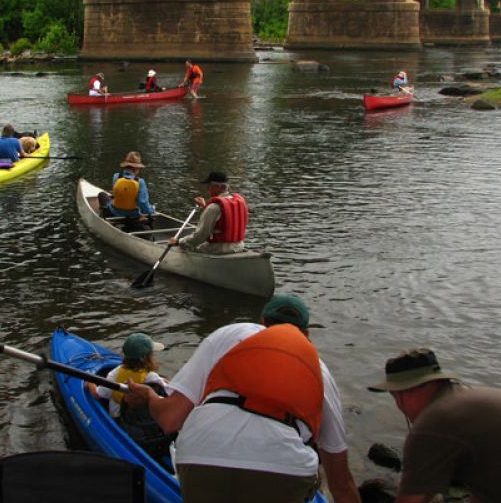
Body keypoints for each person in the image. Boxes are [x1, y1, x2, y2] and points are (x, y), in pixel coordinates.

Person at [124, 295, 361, 503]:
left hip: (200, 457)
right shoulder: (320, 371)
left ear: (262, 323)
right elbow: (340, 481)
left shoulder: (227, 334)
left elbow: (170, 419)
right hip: (283, 470)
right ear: (307, 335)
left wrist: (150, 397)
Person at [368, 348, 501, 502]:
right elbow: (486, 484)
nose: (397, 404)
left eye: (394, 395)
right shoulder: (472, 398)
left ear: (407, 391)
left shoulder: (434, 422)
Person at [88, 332, 174, 460]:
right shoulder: (152, 378)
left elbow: (98, 395)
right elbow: (168, 392)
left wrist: (89, 383)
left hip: (120, 421)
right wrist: (165, 381)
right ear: (147, 358)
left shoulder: (114, 374)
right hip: (147, 423)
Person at [169, 171, 246, 254]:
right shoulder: (239, 202)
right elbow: (223, 217)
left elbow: (201, 236)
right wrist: (205, 207)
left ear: (216, 187)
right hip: (239, 246)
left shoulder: (213, 208)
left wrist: (179, 242)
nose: (207, 189)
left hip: (218, 249)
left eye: (208, 186)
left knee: (186, 246)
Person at [99, 151, 155, 224]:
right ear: (137, 169)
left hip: (114, 212)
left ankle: (103, 217)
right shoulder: (140, 182)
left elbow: (116, 194)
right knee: (148, 212)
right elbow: (143, 203)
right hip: (133, 215)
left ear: (125, 166)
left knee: (102, 195)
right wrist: (152, 210)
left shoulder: (116, 177)